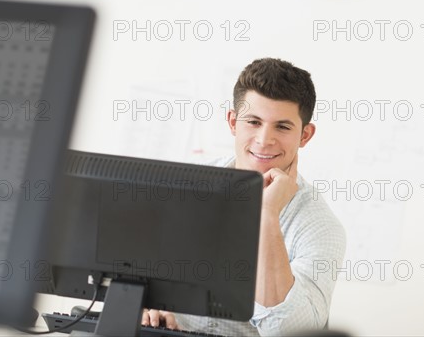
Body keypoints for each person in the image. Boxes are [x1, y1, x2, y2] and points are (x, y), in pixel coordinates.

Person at [141, 58, 347, 336]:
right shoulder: (185, 187)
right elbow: (142, 275)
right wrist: (149, 305)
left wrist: (266, 215)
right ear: (233, 122)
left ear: (305, 135)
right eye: (253, 122)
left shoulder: (320, 227)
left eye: (282, 127)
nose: (264, 140)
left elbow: (291, 332)